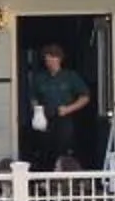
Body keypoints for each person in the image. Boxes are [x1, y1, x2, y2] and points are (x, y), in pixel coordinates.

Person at [27, 42, 100, 170]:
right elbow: (33, 97)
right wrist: (37, 112)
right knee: (44, 151)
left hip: (64, 119)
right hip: (45, 119)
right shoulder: (39, 78)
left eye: (51, 58)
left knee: (64, 150)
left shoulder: (70, 76)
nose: (48, 62)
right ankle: (45, 182)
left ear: (59, 59)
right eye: (46, 59)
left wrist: (68, 109)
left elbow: (85, 97)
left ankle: (63, 181)